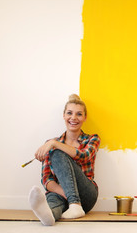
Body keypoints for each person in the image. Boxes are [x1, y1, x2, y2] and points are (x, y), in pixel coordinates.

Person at [29, 94, 100, 226]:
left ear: (85, 118)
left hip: (86, 195)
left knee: (57, 152)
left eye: (79, 114)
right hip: (60, 193)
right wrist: (66, 193)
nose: (73, 118)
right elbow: (47, 179)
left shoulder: (92, 139)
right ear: (64, 115)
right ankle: (49, 216)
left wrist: (53, 144)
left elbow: (83, 155)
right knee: (53, 204)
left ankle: (75, 205)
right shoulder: (50, 143)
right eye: (69, 113)